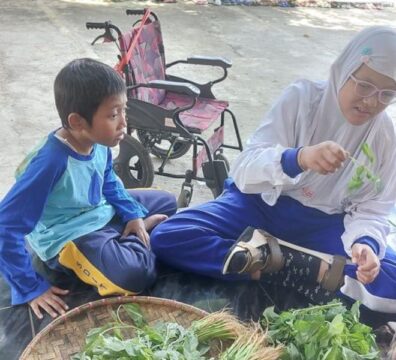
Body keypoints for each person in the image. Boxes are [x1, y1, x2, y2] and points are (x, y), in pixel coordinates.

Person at [150, 26, 396, 315]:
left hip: (322, 224)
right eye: (364, 86)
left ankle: (270, 260)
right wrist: (298, 158)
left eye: (387, 94)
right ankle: (304, 269)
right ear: (345, 69)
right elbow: (246, 168)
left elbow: (373, 208)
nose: (371, 102)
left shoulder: (384, 137)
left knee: (387, 273)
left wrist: (364, 244)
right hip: (261, 206)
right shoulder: (303, 99)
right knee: (171, 235)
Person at [0, 58, 177, 319]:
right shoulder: (49, 163)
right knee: (134, 277)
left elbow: (108, 180)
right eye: (113, 114)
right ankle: (129, 239)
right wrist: (29, 288)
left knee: (168, 202)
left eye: (123, 111)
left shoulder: (99, 142)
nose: (123, 123)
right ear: (78, 122)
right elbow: (6, 225)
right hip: (70, 233)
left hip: (97, 210)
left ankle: (130, 233)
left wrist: (132, 214)